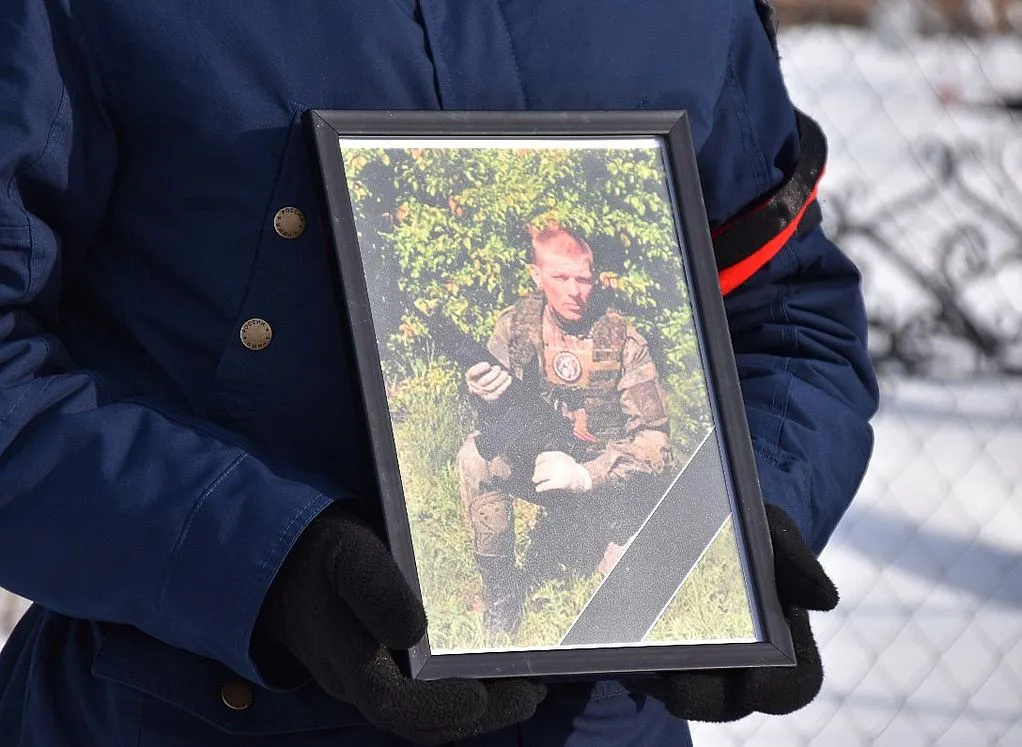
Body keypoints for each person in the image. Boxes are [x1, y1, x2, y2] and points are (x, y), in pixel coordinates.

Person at [0, 1, 879, 746]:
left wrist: (732, 515)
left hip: (600, 723)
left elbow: (787, 317)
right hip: (188, 708)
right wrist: (261, 558)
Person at [456, 224, 673, 634]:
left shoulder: (623, 342)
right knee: (476, 456)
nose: (574, 291)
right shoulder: (515, 328)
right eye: (560, 277)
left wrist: (585, 476)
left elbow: (656, 444)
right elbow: (494, 420)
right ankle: (501, 592)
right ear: (537, 276)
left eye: (583, 279)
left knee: (628, 602)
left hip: (606, 484)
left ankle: (593, 535)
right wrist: (482, 396)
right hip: (538, 463)